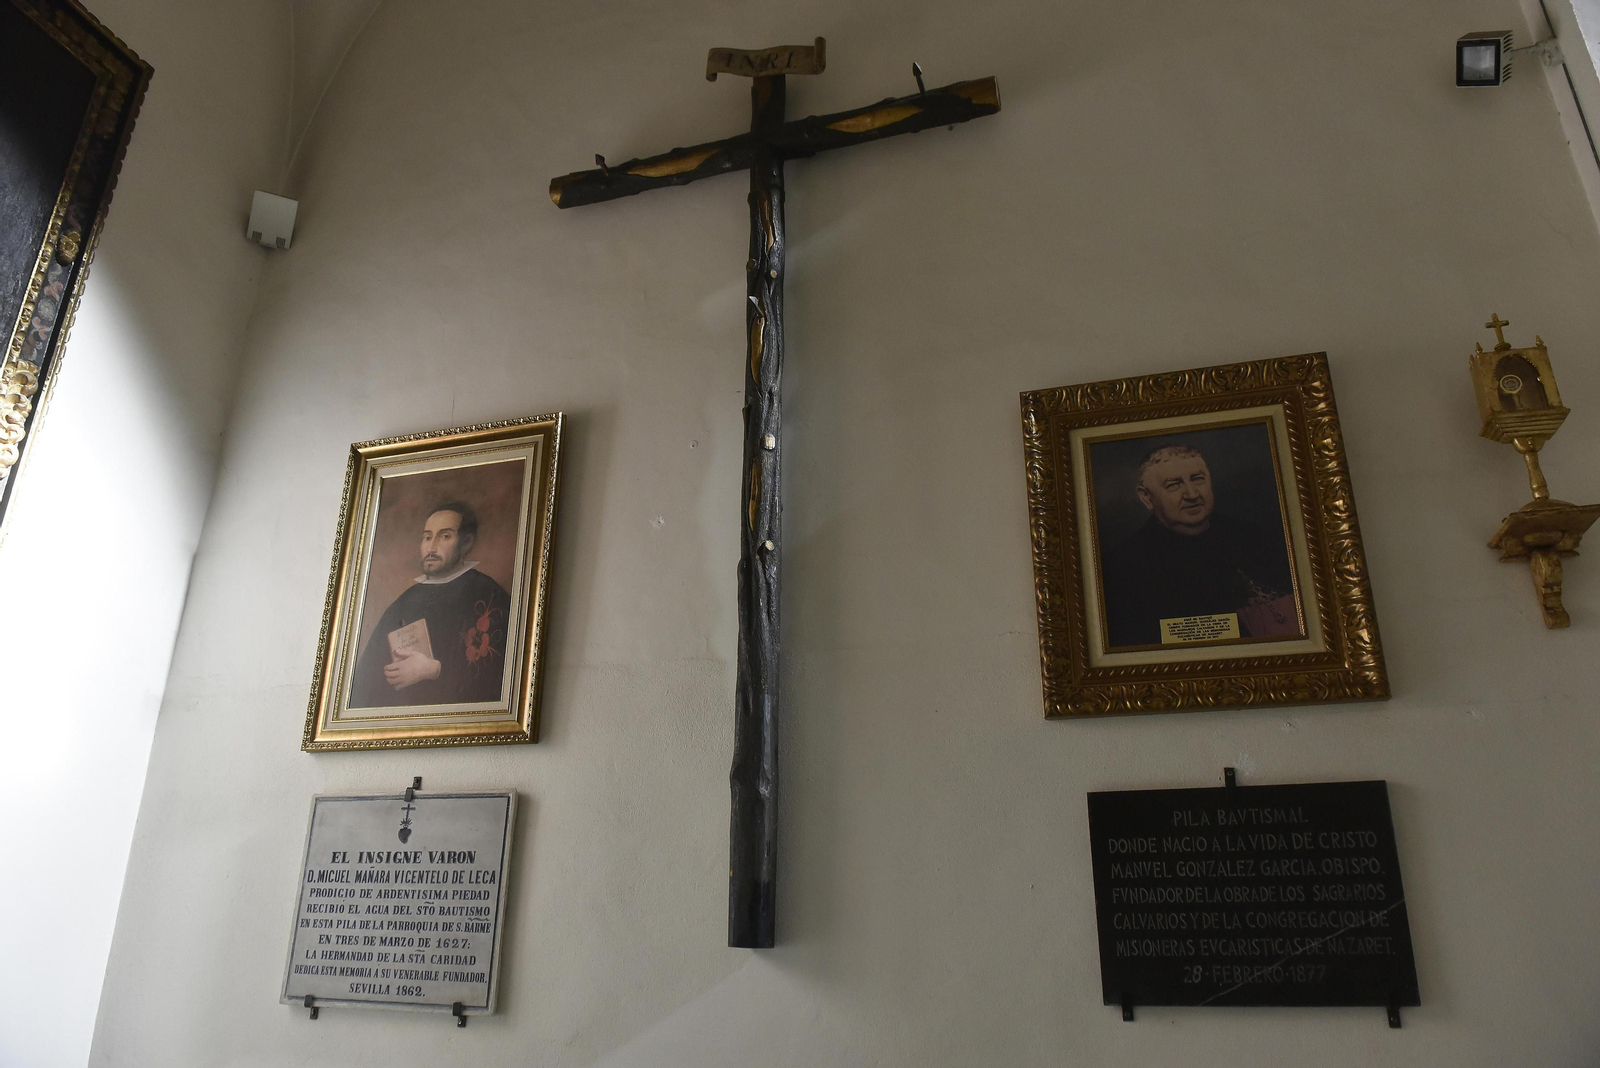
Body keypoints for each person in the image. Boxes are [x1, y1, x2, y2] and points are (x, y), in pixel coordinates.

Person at [1098, 444, 1298, 649]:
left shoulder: (1253, 536)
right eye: (1174, 485)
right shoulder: (1123, 565)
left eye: (1197, 479)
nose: (1192, 494)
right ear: (1146, 498)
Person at [348, 500, 511, 708]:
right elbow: (365, 683)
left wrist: (434, 670)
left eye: (445, 536)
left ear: (466, 542)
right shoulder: (402, 603)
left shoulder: (489, 594)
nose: (432, 547)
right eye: (427, 537)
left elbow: (502, 675)